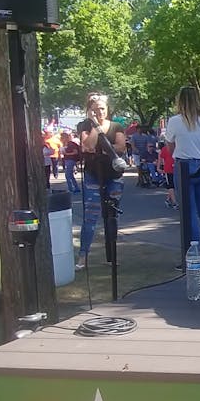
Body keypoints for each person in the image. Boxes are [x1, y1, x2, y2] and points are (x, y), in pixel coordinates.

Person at [74, 92, 127, 270]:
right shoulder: (85, 126)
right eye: (95, 110)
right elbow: (87, 146)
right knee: (91, 215)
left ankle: (112, 256)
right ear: (89, 111)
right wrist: (95, 128)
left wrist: (104, 149)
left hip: (113, 175)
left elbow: (121, 147)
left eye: (103, 109)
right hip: (92, 174)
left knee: (111, 215)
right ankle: (83, 256)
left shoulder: (116, 126)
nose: (100, 112)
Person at [165, 86, 200, 256]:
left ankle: (193, 251)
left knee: (189, 212)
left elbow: (169, 144)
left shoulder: (175, 121)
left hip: (184, 165)